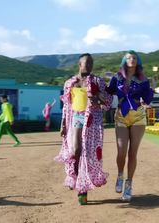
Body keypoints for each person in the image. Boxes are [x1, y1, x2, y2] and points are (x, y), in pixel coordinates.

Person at [55, 53, 112, 205]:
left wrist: (98, 97)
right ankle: (73, 176)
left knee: (87, 153)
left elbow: (107, 103)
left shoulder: (98, 81)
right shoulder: (69, 83)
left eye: (92, 63)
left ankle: (82, 190)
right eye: (87, 63)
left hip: (92, 119)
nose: (90, 65)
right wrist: (63, 124)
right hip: (76, 117)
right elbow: (66, 106)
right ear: (80, 64)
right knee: (75, 151)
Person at [107, 50, 154, 201]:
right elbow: (108, 92)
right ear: (124, 61)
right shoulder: (117, 77)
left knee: (133, 153)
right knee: (121, 151)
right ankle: (120, 175)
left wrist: (152, 88)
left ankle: (129, 185)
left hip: (138, 115)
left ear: (137, 60)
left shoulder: (143, 79)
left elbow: (147, 99)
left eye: (134, 57)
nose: (131, 59)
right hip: (121, 115)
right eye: (128, 57)